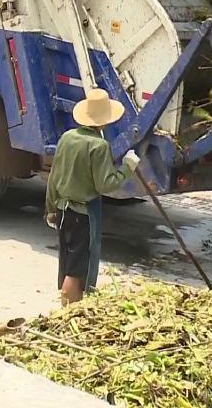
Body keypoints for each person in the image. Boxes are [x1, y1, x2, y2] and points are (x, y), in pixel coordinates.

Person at [45, 88, 139, 306]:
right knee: (77, 269)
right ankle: (69, 312)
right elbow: (105, 184)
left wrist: (50, 209)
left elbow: (53, 177)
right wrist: (127, 167)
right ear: (104, 122)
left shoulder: (67, 138)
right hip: (82, 214)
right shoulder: (99, 145)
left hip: (62, 209)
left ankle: (70, 308)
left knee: (67, 261)